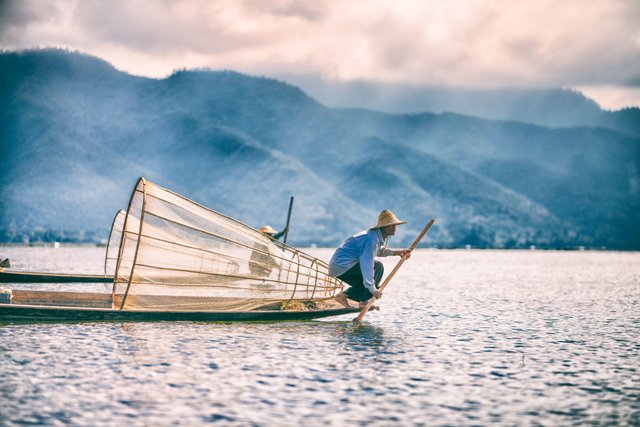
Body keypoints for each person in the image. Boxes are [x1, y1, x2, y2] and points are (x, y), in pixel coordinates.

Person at [329, 210, 411, 309]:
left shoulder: (375, 237)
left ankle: (355, 299)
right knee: (377, 268)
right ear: (383, 227)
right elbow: (367, 264)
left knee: (372, 277)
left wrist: (397, 252)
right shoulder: (371, 239)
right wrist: (373, 290)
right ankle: (357, 300)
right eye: (391, 225)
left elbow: (378, 251)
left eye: (395, 225)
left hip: (341, 266)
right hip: (342, 266)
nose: (394, 228)